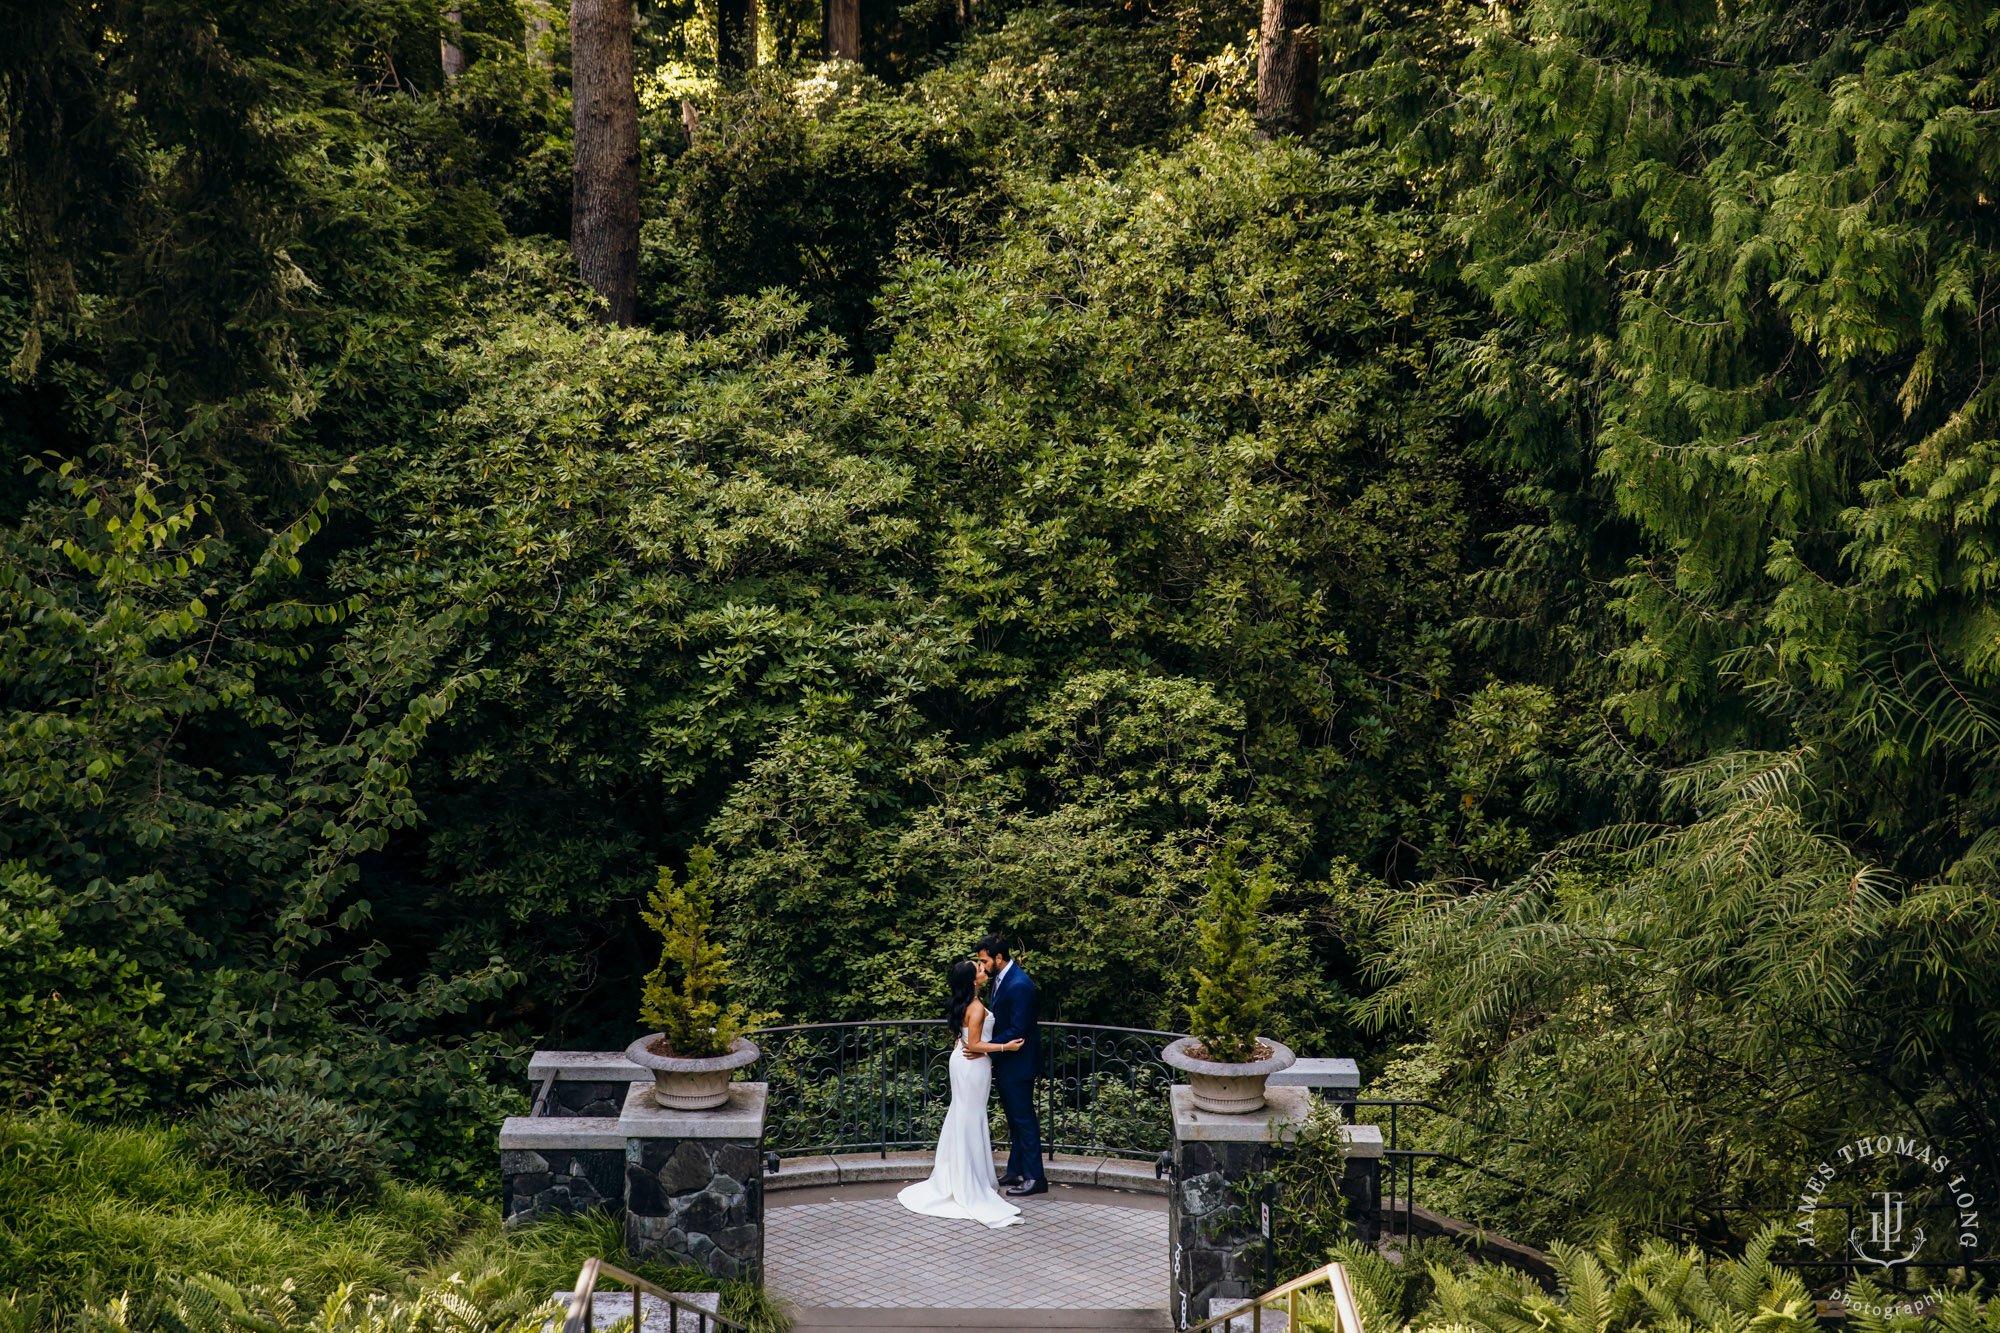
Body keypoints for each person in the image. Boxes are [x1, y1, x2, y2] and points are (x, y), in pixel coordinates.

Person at [896, 958, 1027, 1227]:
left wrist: (964, 1041)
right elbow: (977, 1044)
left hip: (963, 1060)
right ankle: (968, 1181)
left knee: (964, 1115)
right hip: (972, 1065)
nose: (983, 970)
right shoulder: (976, 1007)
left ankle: (962, 1175)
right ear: (972, 980)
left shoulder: (965, 1004)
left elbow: (964, 1037)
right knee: (969, 1116)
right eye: (979, 969)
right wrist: (1006, 1048)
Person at [977, 932, 1046, 1196]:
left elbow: (1018, 1029)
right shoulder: (1001, 979)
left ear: (998, 957)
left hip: (1019, 1063)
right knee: (1014, 1120)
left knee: (1024, 1119)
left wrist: (986, 1049)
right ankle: (1017, 1169)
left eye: (984, 961)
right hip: (1007, 1062)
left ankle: (1035, 1177)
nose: (982, 966)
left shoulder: (1019, 984)